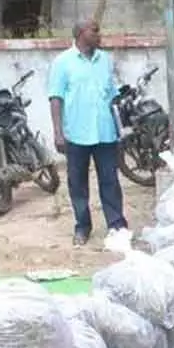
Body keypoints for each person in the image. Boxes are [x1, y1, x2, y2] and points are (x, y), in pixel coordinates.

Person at [48, 19, 130, 250]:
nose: (99, 34)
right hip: (76, 132)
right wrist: (58, 133)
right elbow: (56, 97)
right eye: (94, 31)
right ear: (81, 33)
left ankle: (116, 224)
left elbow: (112, 94)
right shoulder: (63, 63)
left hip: (104, 132)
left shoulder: (104, 60)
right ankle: (82, 226)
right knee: (78, 184)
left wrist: (120, 126)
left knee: (110, 181)